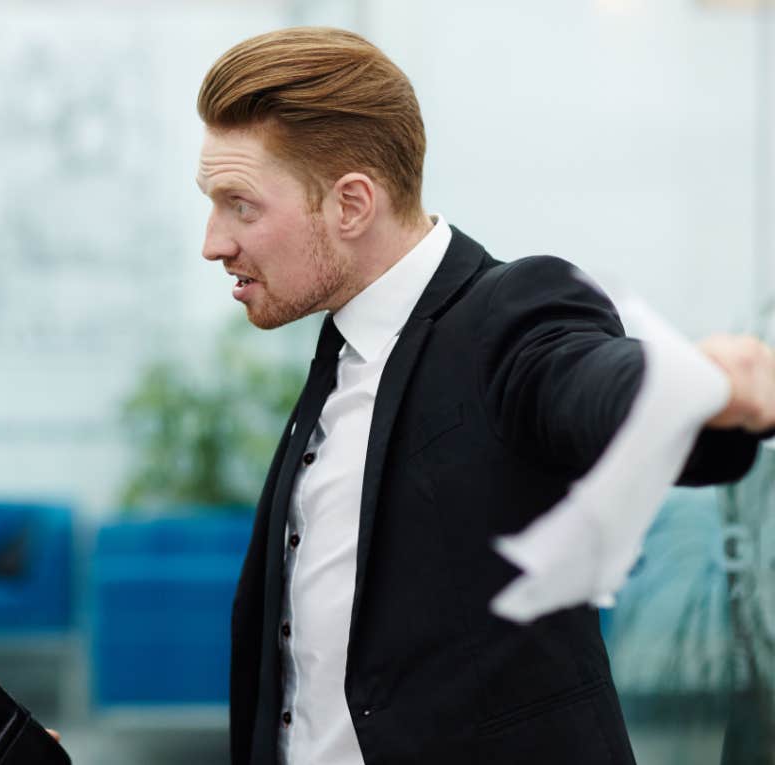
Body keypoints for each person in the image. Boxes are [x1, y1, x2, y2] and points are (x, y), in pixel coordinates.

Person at [194, 27, 775, 765]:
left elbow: (585, 383)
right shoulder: (339, 354)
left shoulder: (511, 316)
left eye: (240, 204)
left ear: (350, 205)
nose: (213, 241)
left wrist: (693, 391)